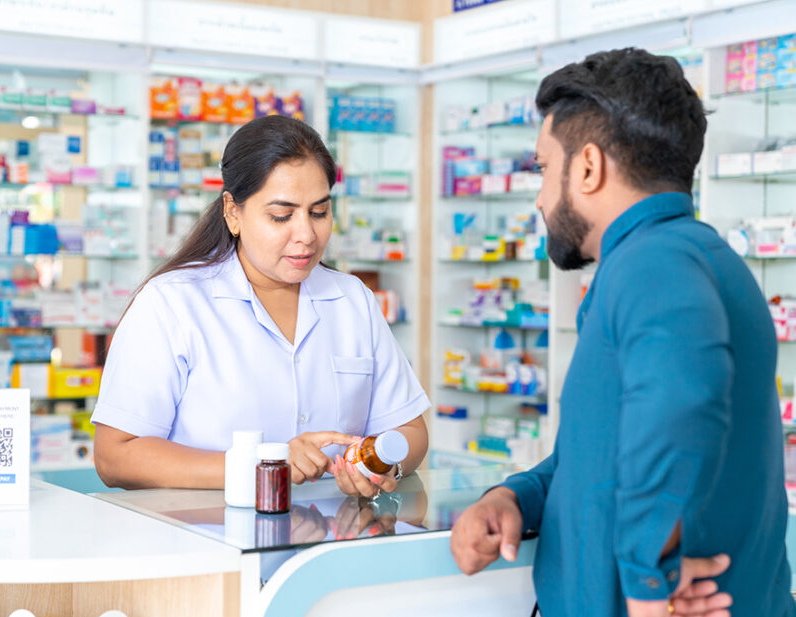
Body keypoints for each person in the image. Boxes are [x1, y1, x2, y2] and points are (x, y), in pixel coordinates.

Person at [450, 48, 796, 617]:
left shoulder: (650, 262)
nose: (539, 197)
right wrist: (514, 496)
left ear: (587, 167)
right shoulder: (703, 257)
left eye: (542, 168)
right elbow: (597, 454)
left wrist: (645, 583)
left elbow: (684, 397)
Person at [91, 115, 429, 498]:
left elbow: (411, 431)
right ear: (233, 212)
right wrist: (265, 467)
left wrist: (382, 465)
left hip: (329, 540)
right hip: (207, 538)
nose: (306, 234)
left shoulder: (353, 300)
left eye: (319, 212)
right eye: (281, 216)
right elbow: (115, 457)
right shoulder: (172, 302)